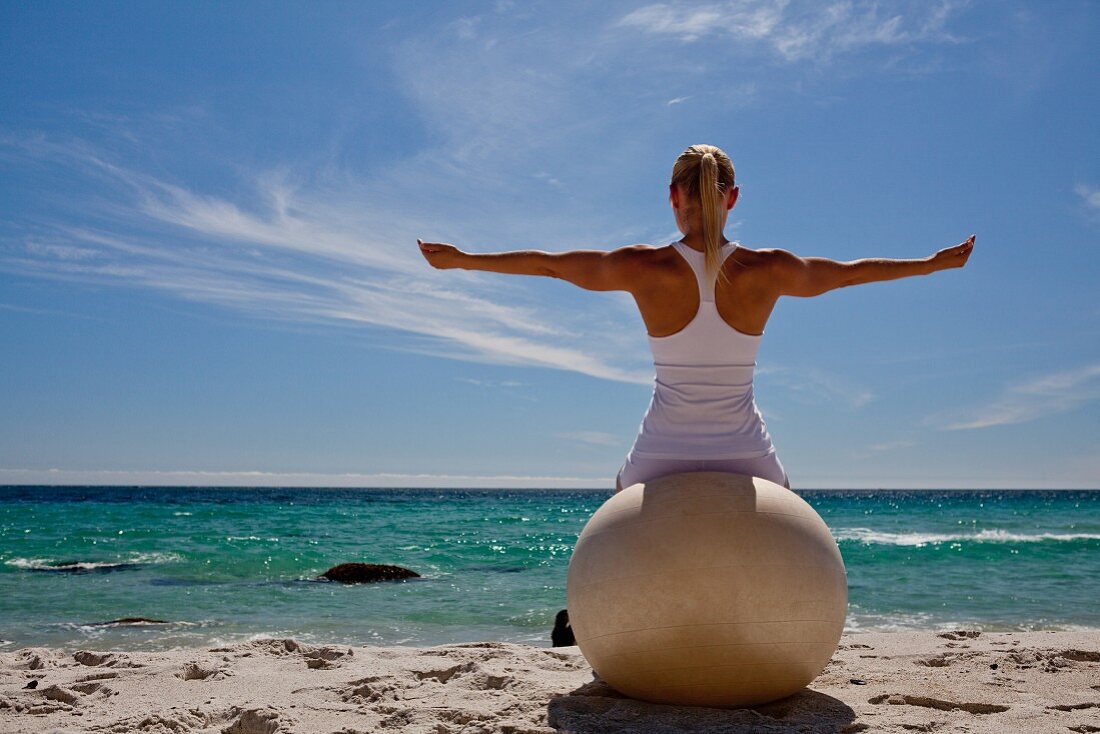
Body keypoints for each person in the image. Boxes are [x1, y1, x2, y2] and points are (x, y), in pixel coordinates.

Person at [418, 144, 974, 493]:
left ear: (672, 197)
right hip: (747, 454)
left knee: (617, 490)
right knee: (789, 500)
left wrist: (465, 260)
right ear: (732, 198)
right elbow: (853, 273)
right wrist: (929, 265)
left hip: (660, 453)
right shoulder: (768, 270)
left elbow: (549, 266)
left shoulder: (641, 267)